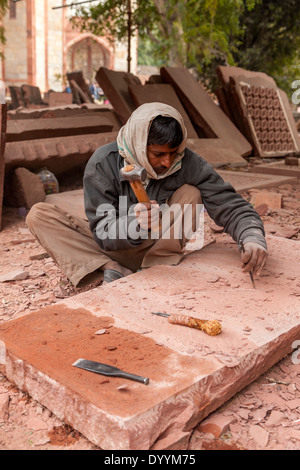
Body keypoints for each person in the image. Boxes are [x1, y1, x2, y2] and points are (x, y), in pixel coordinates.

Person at [26, 102, 268, 287]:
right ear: (139, 144)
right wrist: (134, 223)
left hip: (159, 247)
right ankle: (112, 268)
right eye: (158, 153)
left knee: (191, 193)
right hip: (110, 245)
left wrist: (252, 235)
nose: (167, 161)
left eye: (174, 152)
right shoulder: (103, 163)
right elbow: (101, 231)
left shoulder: (188, 163)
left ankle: (156, 268)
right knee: (39, 215)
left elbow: (229, 203)